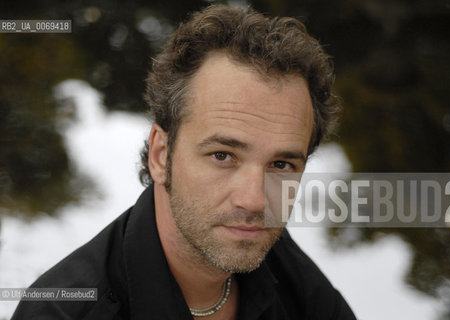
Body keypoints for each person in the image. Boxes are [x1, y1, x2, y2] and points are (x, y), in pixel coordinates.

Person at [12, 4, 356, 320]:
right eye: (223, 156)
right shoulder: (62, 312)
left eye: (281, 165)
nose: (254, 201)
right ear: (162, 154)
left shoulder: (296, 284)